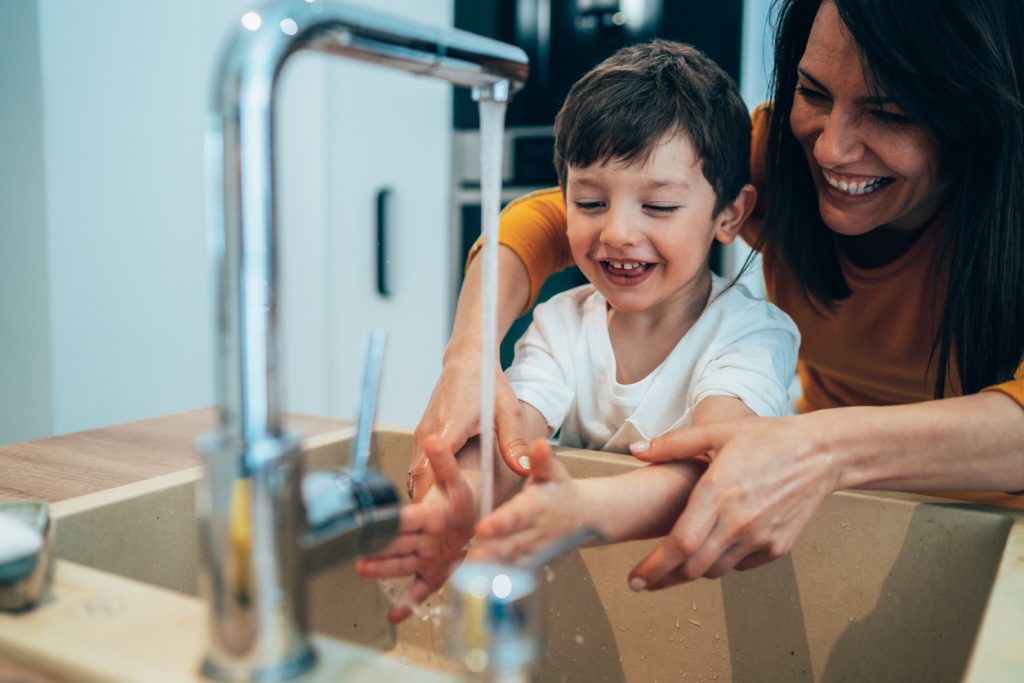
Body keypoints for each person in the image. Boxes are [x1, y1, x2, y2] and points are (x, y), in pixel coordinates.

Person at [411, 0, 1024, 593]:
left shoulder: (749, 333)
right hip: (819, 504)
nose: (831, 149)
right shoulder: (782, 156)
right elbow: (549, 219)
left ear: (977, 106)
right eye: (812, 93)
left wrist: (818, 448)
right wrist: (468, 354)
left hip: (996, 531)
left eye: (889, 112)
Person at [358, 41, 800, 621]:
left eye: (659, 207)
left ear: (730, 215)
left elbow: (724, 461)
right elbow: (513, 438)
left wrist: (582, 508)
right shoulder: (561, 323)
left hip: (724, 613)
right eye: (590, 201)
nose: (616, 232)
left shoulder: (752, 333)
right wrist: (455, 500)